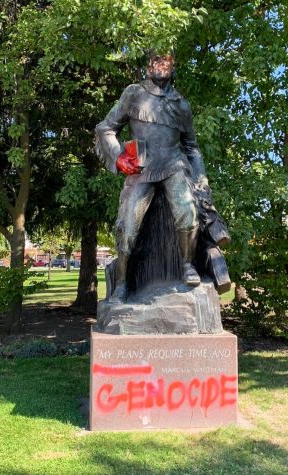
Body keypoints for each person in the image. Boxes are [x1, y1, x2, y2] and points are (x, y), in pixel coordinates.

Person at [96, 52, 211, 303]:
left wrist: (201, 178)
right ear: (148, 67)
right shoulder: (134, 94)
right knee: (127, 227)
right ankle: (122, 284)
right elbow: (106, 128)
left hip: (173, 165)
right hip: (142, 169)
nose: (160, 65)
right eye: (155, 61)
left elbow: (191, 147)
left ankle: (187, 265)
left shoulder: (182, 105)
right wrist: (119, 158)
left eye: (166, 60)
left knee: (188, 214)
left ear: (173, 66)